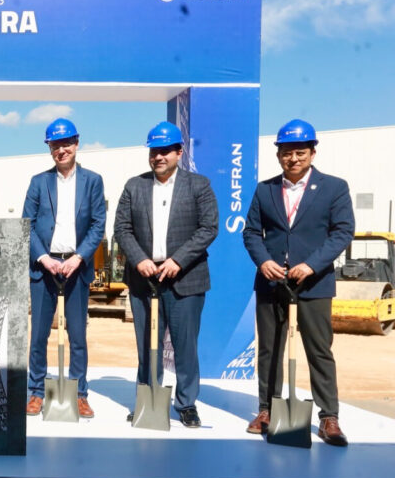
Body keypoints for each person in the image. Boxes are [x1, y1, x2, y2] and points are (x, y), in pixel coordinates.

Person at [243, 119, 353, 446]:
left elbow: (342, 232)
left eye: (300, 152)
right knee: (269, 350)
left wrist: (312, 265)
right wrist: (264, 261)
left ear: (312, 153)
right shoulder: (265, 189)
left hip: (314, 284)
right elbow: (251, 232)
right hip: (272, 283)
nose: (293, 159)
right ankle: (267, 410)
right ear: (278, 155)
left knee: (319, 350)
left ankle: (329, 417)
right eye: (287, 153)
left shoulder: (334, 188)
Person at [114, 121, 218, 428]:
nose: (158, 157)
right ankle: (148, 399)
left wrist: (178, 260)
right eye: (154, 152)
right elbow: (122, 228)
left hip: (185, 279)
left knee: (185, 347)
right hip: (143, 280)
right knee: (148, 346)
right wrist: (139, 260)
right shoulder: (134, 186)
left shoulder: (199, 185)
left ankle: (186, 403)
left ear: (178, 152)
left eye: (165, 151)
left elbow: (209, 227)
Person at [22, 118, 106, 418]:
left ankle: (80, 393)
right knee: (39, 336)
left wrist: (79, 257)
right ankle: (36, 391)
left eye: (66, 143)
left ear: (77, 143)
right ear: (49, 148)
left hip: (76, 266)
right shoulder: (38, 182)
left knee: (78, 336)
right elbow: (27, 225)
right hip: (44, 267)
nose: (61, 150)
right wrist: (43, 258)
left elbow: (98, 224)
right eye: (55, 145)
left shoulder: (93, 181)